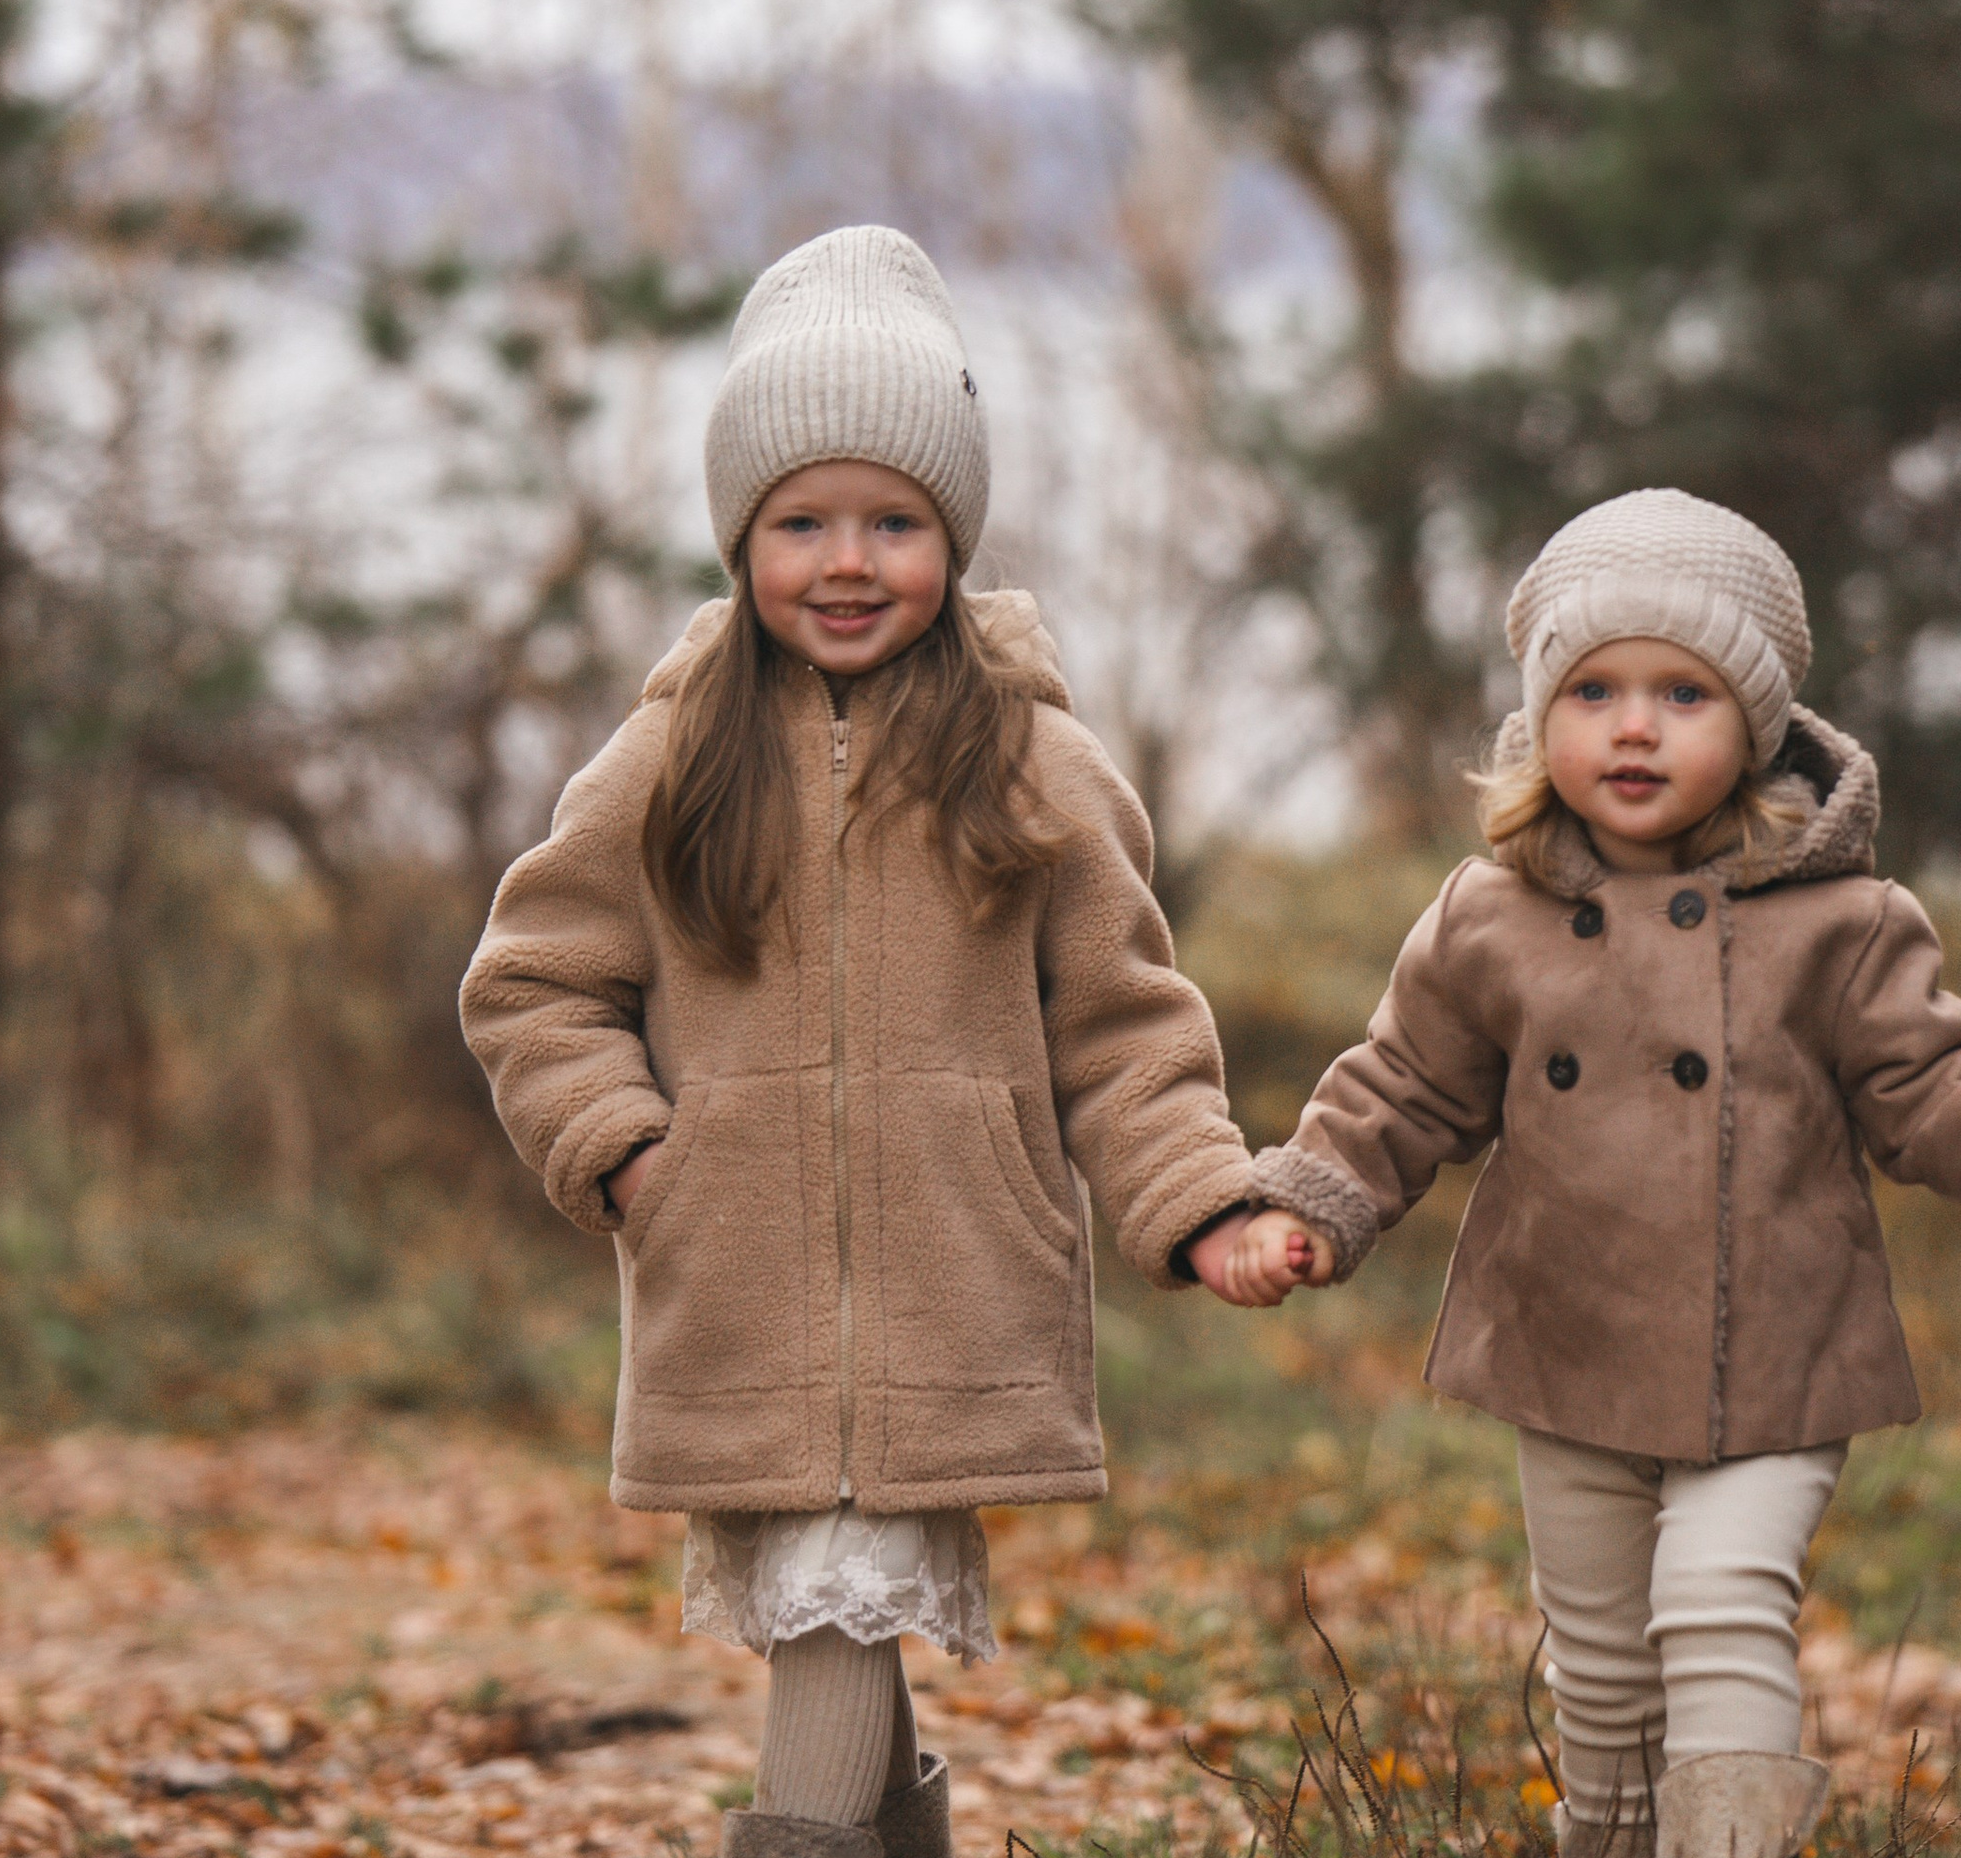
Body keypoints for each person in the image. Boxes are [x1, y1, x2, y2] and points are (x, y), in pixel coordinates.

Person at [459, 226, 1317, 1858]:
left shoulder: (1030, 761)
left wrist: (1203, 1202)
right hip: (739, 1281)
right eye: (802, 523)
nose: (847, 562)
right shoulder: (668, 756)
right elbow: (531, 982)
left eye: (894, 523)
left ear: (955, 537)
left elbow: (1126, 1026)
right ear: (740, 538)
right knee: (831, 1610)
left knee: (838, 1610)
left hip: (949, 1281)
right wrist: (629, 1148)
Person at [1221, 489, 1961, 1858]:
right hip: (1566, 1349)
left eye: (1683, 692)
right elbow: (1405, 1083)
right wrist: (1308, 1202)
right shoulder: (1487, 917)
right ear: (1539, 716)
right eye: (1595, 688)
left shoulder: (1840, 922)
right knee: (1605, 1671)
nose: (1633, 725)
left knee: (1726, 1601)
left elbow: (1933, 1084)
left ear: (1755, 726)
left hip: (1779, 1352)